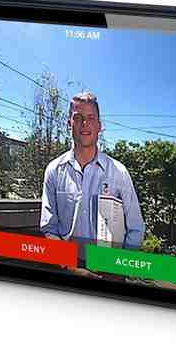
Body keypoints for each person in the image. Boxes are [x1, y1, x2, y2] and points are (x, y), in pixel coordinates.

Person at [40, 92, 144, 264]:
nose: (85, 124)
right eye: (78, 117)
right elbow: (49, 228)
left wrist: (118, 268)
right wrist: (70, 266)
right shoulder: (54, 170)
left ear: (99, 126)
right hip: (67, 267)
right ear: (69, 124)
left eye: (91, 118)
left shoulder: (119, 172)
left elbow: (135, 229)